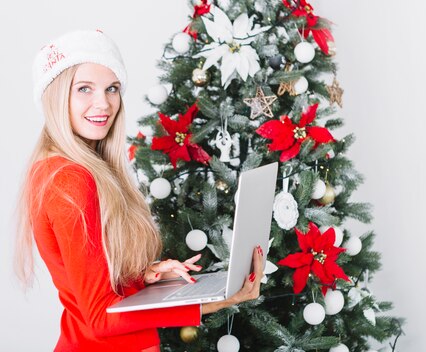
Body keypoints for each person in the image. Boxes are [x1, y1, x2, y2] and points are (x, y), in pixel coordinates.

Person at [13, 29, 264, 352]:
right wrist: (218, 301)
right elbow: (101, 318)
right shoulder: (69, 179)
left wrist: (142, 276)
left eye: (112, 88)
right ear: (56, 95)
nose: (103, 103)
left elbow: (93, 283)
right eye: (84, 89)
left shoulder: (69, 168)